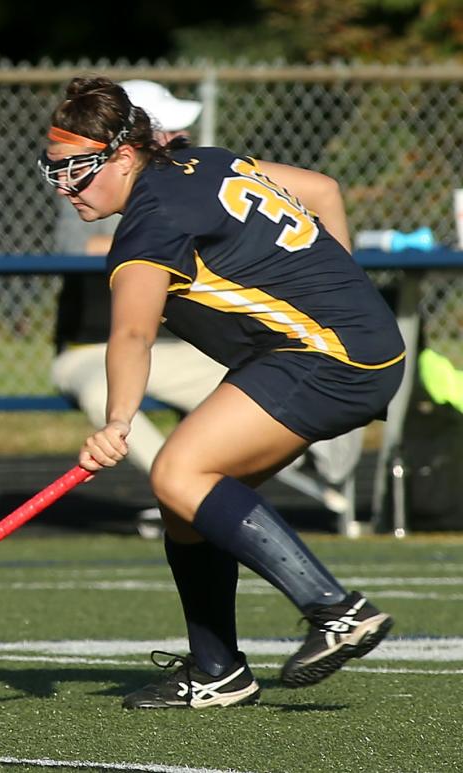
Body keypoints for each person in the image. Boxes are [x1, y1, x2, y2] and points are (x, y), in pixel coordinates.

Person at [39, 76, 404, 709]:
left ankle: (337, 611)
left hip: (327, 355)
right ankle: (218, 670)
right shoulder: (204, 161)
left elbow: (130, 333)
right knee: (188, 510)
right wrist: (337, 285)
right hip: (350, 343)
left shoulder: (151, 223)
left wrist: (117, 423)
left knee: (178, 472)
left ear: (124, 156)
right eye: (54, 172)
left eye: (77, 171)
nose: (65, 188)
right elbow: (323, 190)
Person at [51, 81, 365, 538]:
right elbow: (96, 273)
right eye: (172, 133)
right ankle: (181, 492)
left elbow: (322, 191)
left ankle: (310, 492)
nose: (181, 143)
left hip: (178, 350)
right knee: (131, 419)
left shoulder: (195, 182)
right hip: (93, 348)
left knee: (304, 368)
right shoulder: (95, 191)